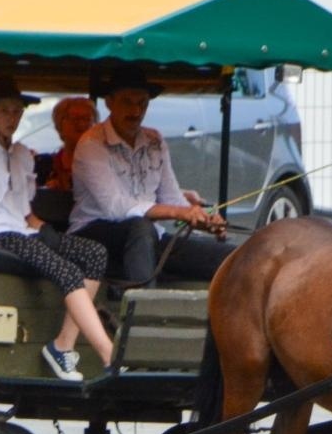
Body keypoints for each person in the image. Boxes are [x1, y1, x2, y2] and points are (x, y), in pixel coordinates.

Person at [0, 75, 115, 380]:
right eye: (4, 111)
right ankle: (108, 355)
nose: (11, 118)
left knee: (94, 253)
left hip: (19, 229)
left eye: (16, 111)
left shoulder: (22, 154)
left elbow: (24, 212)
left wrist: (46, 231)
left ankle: (63, 345)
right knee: (66, 272)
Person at [69, 64, 234, 285]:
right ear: (109, 102)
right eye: (127, 102)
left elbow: (172, 197)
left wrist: (202, 219)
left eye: (142, 103)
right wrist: (179, 212)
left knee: (231, 259)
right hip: (93, 236)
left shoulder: (155, 140)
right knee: (141, 227)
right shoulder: (91, 143)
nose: (136, 112)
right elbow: (116, 207)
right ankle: (143, 309)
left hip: (149, 239)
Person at [36, 96, 97, 190]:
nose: (81, 124)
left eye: (87, 118)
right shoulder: (42, 164)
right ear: (59, 124)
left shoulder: (106, 164)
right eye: (74, 118)